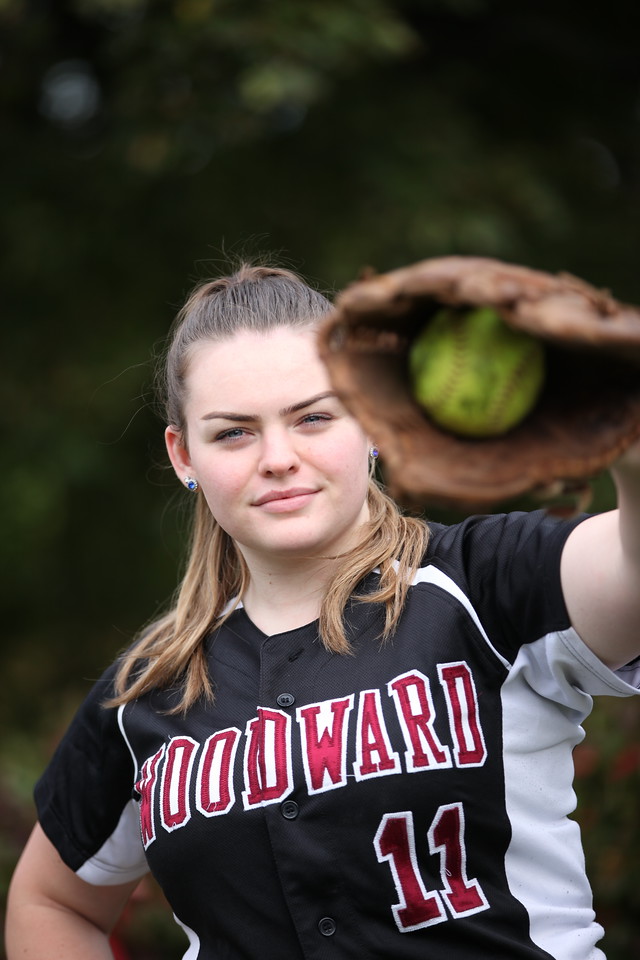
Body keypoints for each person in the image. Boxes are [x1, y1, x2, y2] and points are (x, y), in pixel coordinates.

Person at [5, 263, 640, 960]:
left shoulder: (486, 584)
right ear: (183, 455)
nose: (279, 457)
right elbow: (50, 902)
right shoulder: (149, 692)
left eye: (313, 417)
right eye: (234, 433)